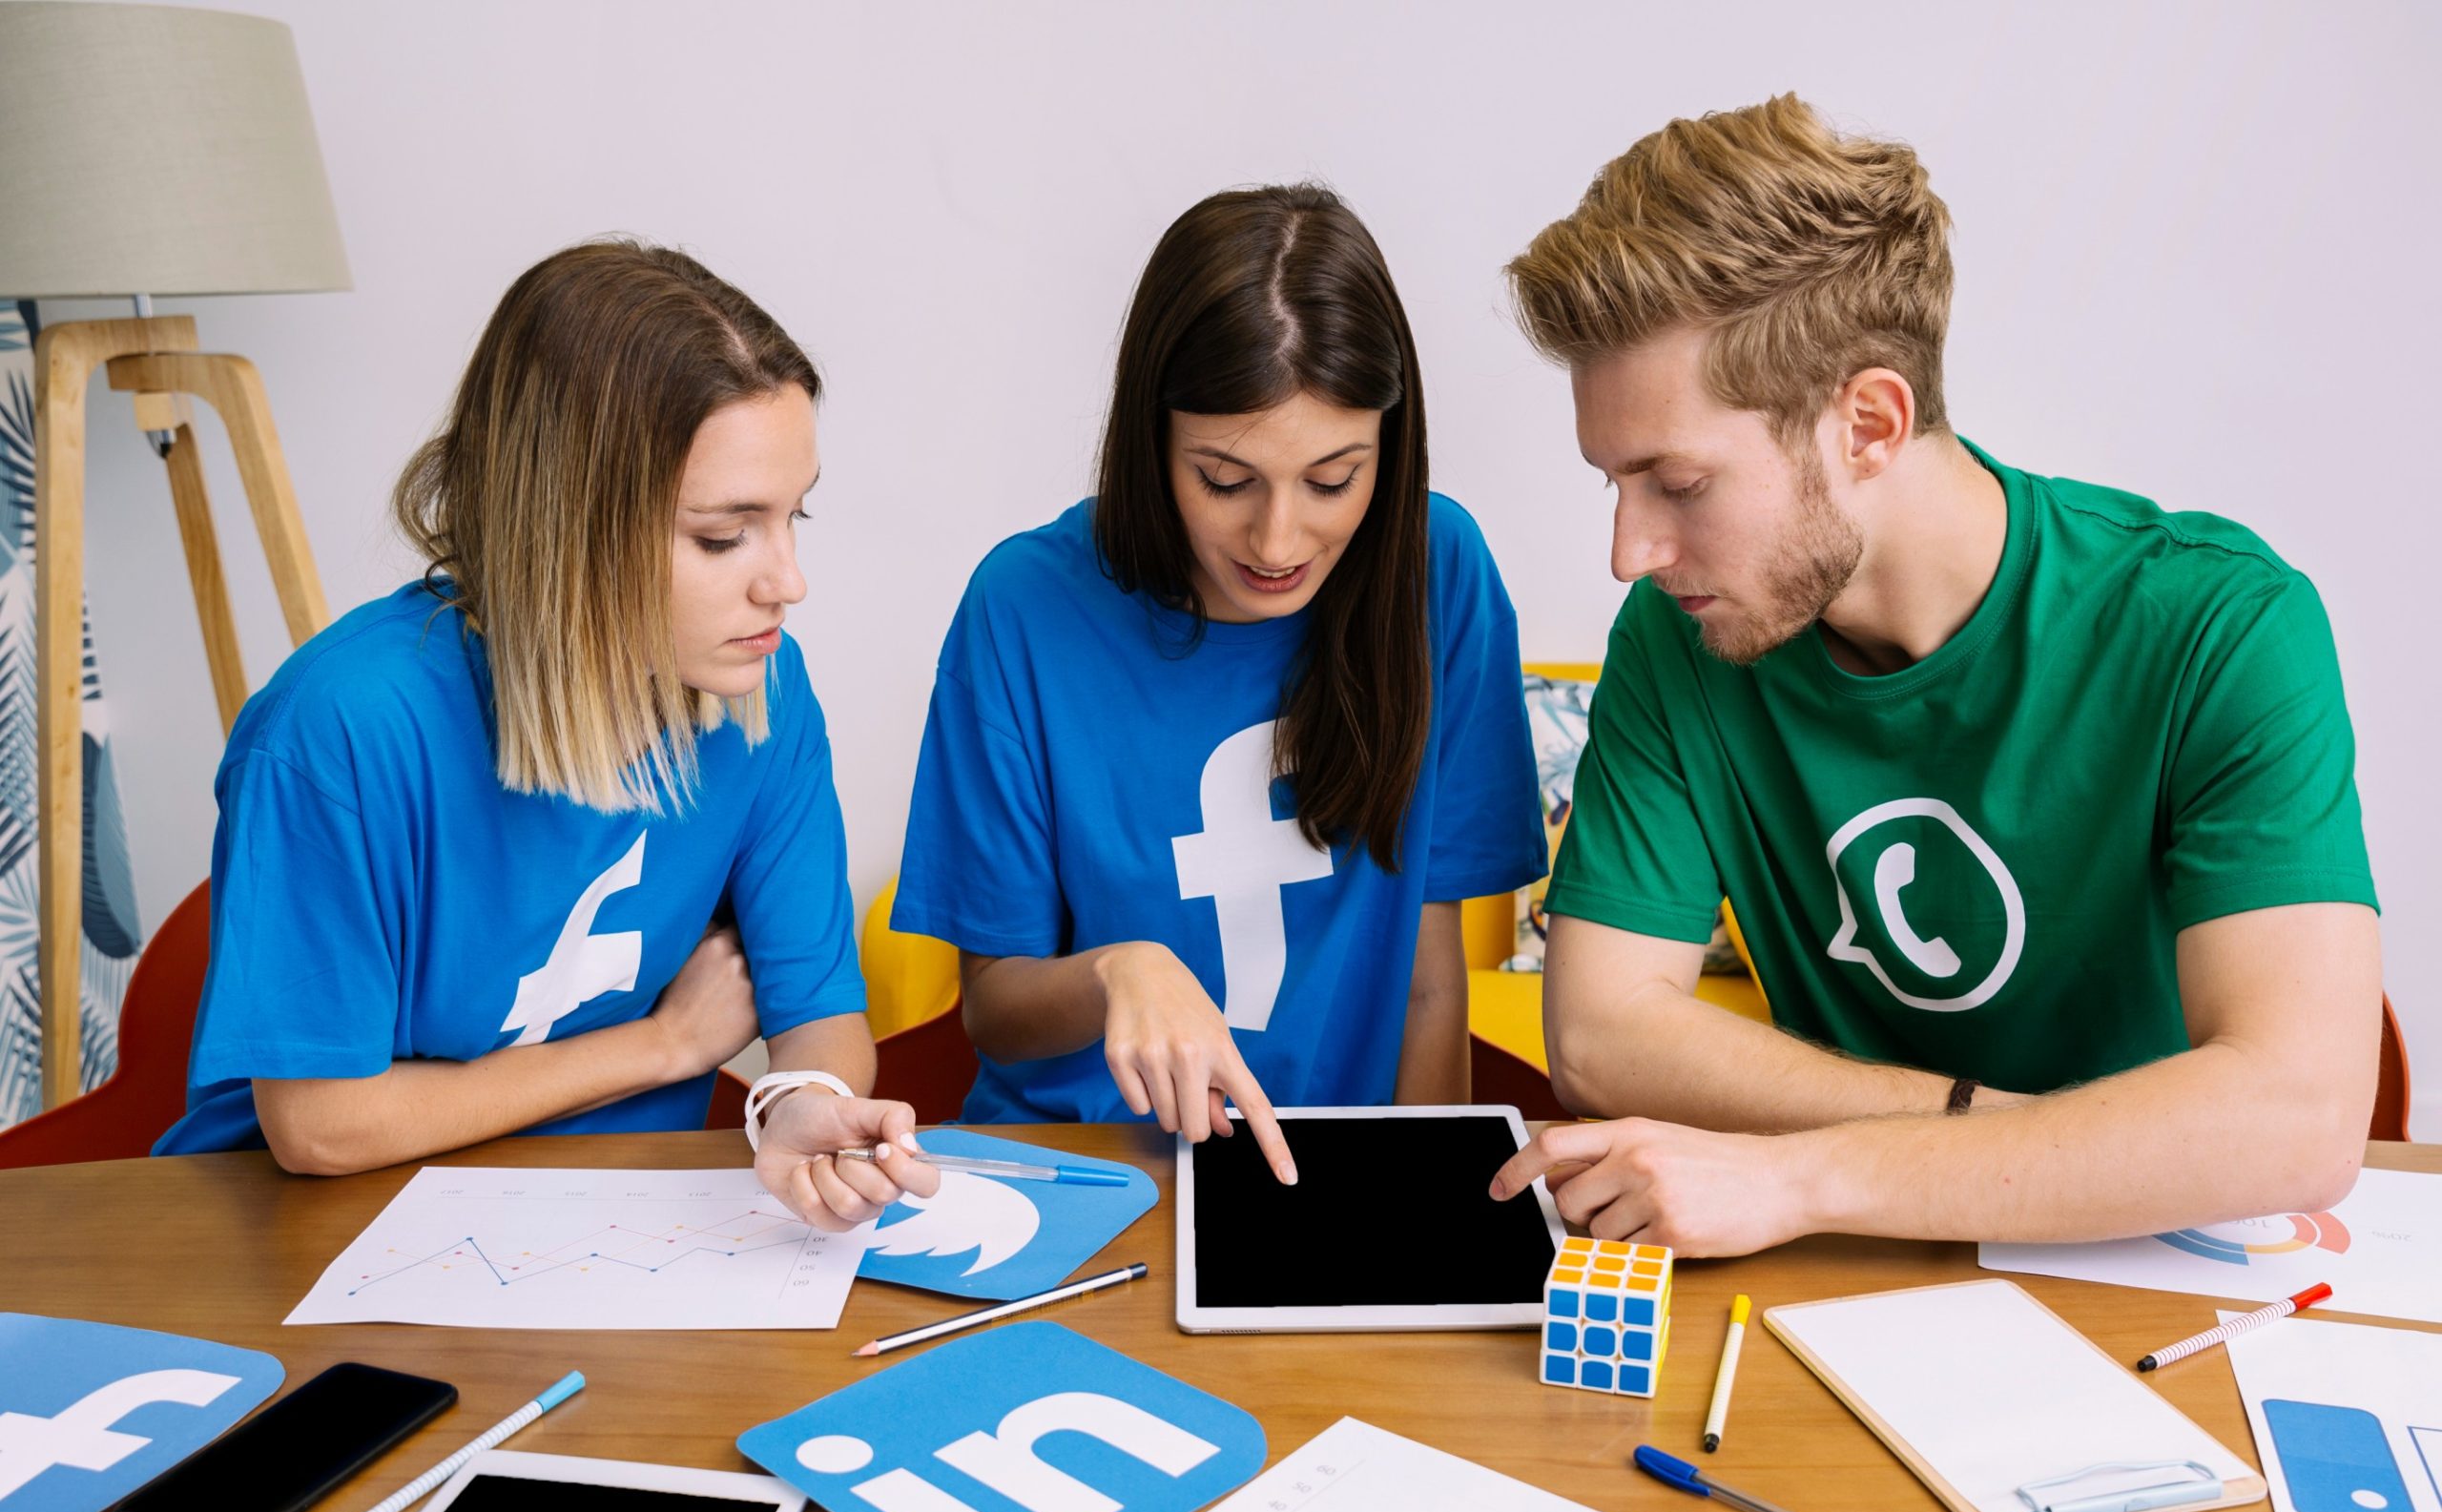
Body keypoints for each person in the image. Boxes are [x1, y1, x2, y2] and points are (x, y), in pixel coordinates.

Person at [1488, 96, 2381, 1256]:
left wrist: (1808, 1177)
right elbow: (1604, 1033)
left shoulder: (2222, 622)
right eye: (1613, 482)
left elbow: (2297, 1121)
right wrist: (1996, 1141)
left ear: (1866, 422)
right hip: (1869, 1269)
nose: (1630, 552)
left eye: (1680, 484)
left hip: (2164, 1263)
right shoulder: (1682, 635)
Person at [157, 239, 937, 1232]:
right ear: (573, 524)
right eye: (722, 534)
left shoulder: (759, 689)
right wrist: (662, 1048)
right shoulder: (340, 732)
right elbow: (319, 1127)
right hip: (304, 1236)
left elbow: (817, 1016)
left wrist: (801, 1104)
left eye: (793, 515)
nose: (786, 580)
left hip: (617, 1232)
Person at [893, 185, 1545, 1178]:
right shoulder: (1022, 605)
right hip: (1086, 1169)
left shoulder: (1437, 569)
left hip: (1327, 1178)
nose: (1279, 541)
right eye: (1226, 479)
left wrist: (1424, 1218)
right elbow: (998, 1011)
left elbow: (1425, 976)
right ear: (1152, 441)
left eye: (1333, 479)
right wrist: (1123, 969)